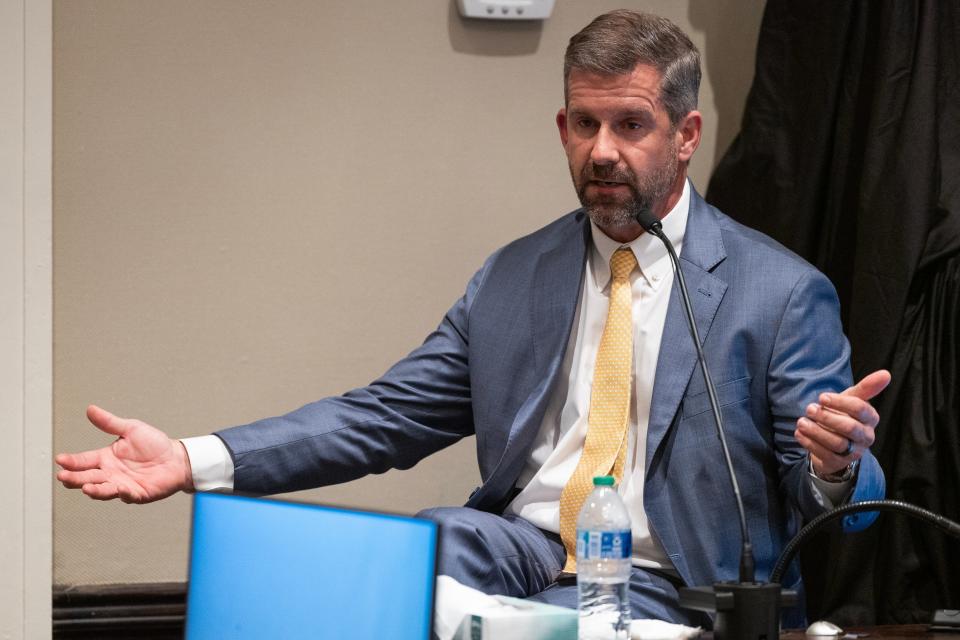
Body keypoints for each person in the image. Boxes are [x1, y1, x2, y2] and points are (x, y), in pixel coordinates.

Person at [56, 10, 889, 626]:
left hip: (669, 580)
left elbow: (845, 507)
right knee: (430, 546)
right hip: (521, 550)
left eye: (631, 125)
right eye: (585, 123)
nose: (603, 149)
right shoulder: (514, 276)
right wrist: (195, 458)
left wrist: (835, 466)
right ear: (563, 128)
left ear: (685, 135)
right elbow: (382, 417)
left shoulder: (778, 293)